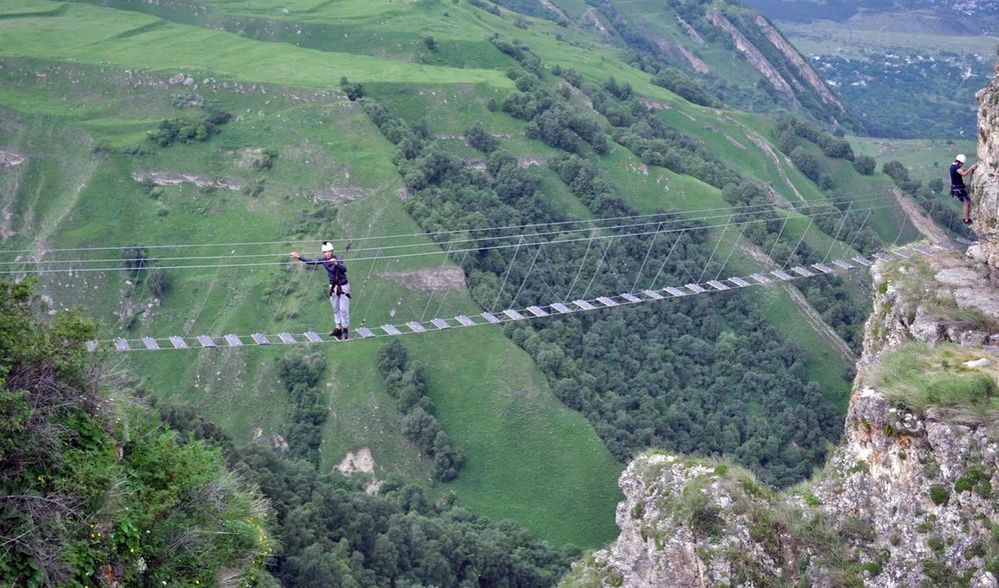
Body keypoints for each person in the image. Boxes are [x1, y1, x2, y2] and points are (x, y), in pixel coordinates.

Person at [290, 241, 351, 340]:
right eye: (326, 252)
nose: (328, 254)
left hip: (343, 286)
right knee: (335, 308)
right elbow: (312, 262)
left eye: (329, 252)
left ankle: (345, 331)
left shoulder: (338, 259)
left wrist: (336, 264)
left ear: (332, 251)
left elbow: (344, 269)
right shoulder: (324, 260)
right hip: (333, 287)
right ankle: (338, 329)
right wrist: (299, 257)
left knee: (343, 309)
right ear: (323, 253)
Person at [950, 153, 978, 225]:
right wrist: (971, 167)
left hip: (957, 188)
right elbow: (964, 173)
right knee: (967, 202)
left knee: (966, 201)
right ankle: (966, 220)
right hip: (958, 188)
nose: (962, 165)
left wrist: (969, 170)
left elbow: (961, 171)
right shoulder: (956, 167)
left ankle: (966, 218)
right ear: (960, 162)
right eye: (962, 163)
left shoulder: (953, 166)